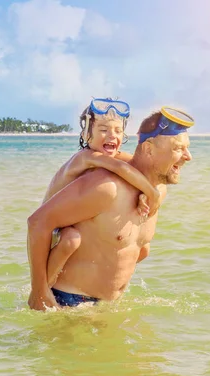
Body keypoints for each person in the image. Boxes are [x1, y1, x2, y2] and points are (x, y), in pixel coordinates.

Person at [27, 106, 195, 310]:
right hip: (68, 303)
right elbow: (37, 222)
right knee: (70, 239)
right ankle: (45, 285)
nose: (188, 157)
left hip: (107, 307)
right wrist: (39, 293)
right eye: (178, 149)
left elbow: (128, 162)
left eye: (117, 131)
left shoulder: (155, 190)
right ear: (149, 148)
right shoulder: (104, 183)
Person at [40, 98, 165, 292]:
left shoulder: (113, 157)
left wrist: (142, 192)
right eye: (103, 130)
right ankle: (45, 289)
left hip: (72, 220)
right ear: (87, 135)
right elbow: (121, 169)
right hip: (52, 229)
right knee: (71, 239)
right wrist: (152, 193)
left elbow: (136, 166)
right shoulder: (85, 157)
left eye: (118, 130)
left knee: (143, 249)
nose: (112, 136)